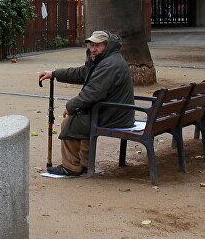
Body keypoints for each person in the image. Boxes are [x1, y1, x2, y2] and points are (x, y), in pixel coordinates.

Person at [37, 30, 134, 178]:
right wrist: (55, 74)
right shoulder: (105, 59)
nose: (93, 49)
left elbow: (92, 93)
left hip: (113, 115)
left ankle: (71, 166)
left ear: (106, 46)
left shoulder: (108, 64)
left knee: (69, 122)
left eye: (98, 45)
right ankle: (84, 164)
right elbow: (83, 73)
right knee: (81, 118)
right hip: (115, 111)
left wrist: (71, 107)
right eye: (91, 45)